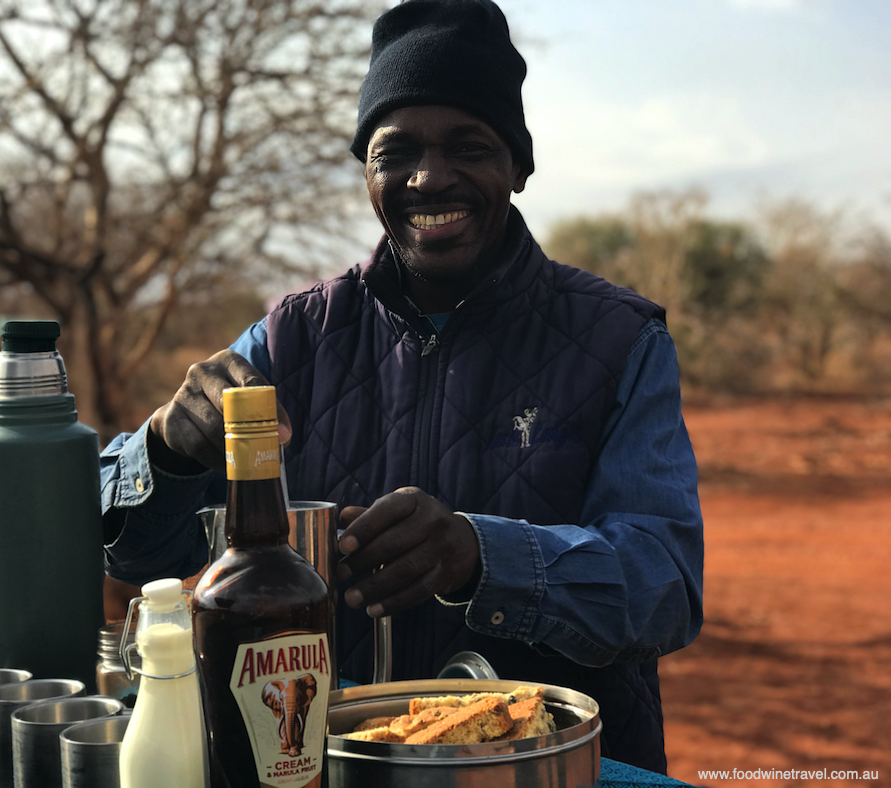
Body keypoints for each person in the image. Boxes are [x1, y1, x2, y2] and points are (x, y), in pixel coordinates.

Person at [100, 0, 702, 773]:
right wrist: (167, 451)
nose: (429, 177)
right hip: (321, 762)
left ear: (517, 166)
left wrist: (481, 557)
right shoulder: (294, 337)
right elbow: (138, 557)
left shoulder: (619, 341)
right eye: (397, 151)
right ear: (367, 170)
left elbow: (664, 584)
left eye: (468, 146)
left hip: (542, 768)